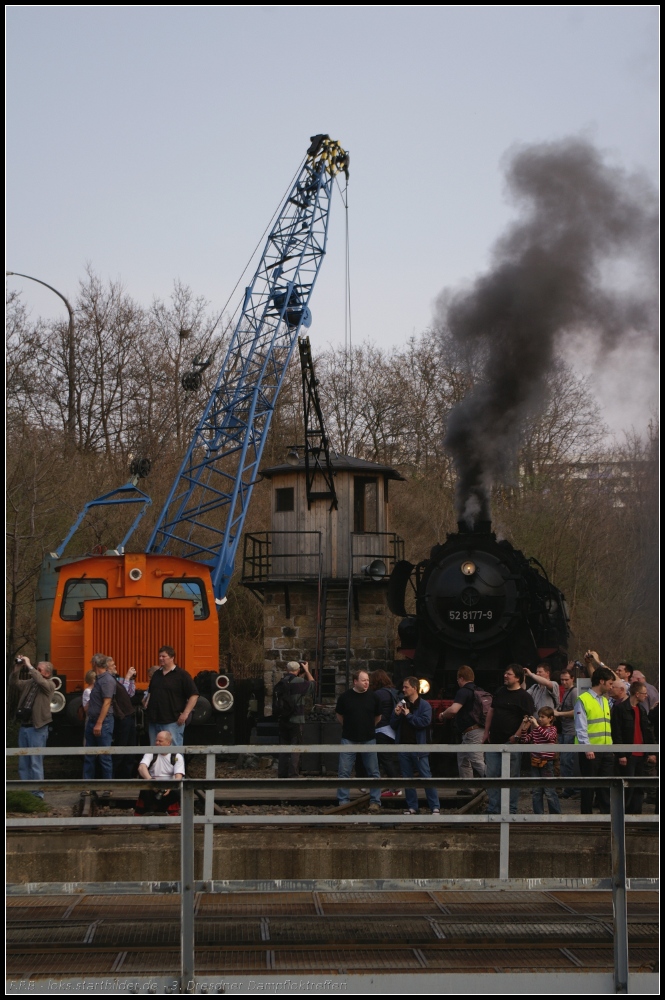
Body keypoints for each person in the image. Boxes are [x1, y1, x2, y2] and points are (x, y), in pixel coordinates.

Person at [483, 665, 536, 815]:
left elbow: (528, 719)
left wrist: (517, 736)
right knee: (492, 774)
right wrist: (486, 732)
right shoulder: (500, 692)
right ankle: (493, 809)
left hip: (511, 742)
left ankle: (510, 810)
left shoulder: (524, 697)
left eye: (509, 674)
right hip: (494, 740)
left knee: (511, 776)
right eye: (505, 673)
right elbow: (491, 711)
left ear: (518, 678)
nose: (505, 676)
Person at [391, 676, 440, 815]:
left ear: (414, 688)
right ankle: (412, 807)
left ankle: (435, 806)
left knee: (426, 776)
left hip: (419, 748)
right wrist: (396, 714)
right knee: (407, 778)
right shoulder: (401, 703)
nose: (403, 689)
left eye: (406, 687)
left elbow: (423, 723)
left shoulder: (425, 706)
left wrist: (408, 715)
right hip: (403, 746)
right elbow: (393, 724)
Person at [335, 669, 382, 813]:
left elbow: (378, 717)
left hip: (368, 739)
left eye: (367, 680)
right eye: (364, 680)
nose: (367, 682)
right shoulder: (345, 697)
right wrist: (350, 727)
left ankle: (375, 801)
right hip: (349, 738)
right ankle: (343, 801)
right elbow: (339, 715)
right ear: (355, 681)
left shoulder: (374, 697)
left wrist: (367, 728)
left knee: (373, 772)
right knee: (344, 771)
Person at [10, 655, 56, 798]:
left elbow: (41, 681)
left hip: (38, 727)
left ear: (47, 673)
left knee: (35, 762)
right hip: (25, 726)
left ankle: (37, 793)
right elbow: (14, 683)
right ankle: (26, 792)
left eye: (39, 669)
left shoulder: (49, 685)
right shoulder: (30, 683)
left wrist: (29, 666)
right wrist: (17, 668)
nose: (35, 670)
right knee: (24, 762)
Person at [611, 681, 656, 814]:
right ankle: (623, 815)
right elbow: (617, 732)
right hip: (628, 755)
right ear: (637, 694)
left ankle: (636, 814)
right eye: (644, 693)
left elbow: (647, 731)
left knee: (639, 787)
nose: (646, 696)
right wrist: (621, 754)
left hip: (641, 755)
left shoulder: (641, 710)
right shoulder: (621, 709)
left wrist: (651, 751)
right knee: (627, 787)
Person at [574, 665, 615, 814]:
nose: (611, 687)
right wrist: (587, 748)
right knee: (588, 787)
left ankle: (605, 817)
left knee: (605, 786)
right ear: (602, 681)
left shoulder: (604, 701)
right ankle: (586, 818)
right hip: (591, 751)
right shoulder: (583, 699)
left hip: (605, 750)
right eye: (610, 683)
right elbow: (581, 726)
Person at [439, 665, 487, 779]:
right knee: (463, 759)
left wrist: (442, 714)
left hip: (472, 732)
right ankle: (467, 788)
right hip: (472, 731)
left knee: (477, 760)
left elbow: (454, 710)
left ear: (461, 678)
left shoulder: (463, 691)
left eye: (457, 680)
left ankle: (497, 786)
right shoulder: (478, 690)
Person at [145, 646, 199, 746]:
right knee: (154, 752)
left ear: (172, 657)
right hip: (154, 721)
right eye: (160, 656)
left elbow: (194, 695)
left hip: (172, 722)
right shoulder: (156, 674)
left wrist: (185, 714)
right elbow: (151, 692)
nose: (161, 658)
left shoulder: (182, 675)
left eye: (164, 656)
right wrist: (147, 701)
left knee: (174, 752)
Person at [273, 660, 314, 778]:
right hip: (296, 720)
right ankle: (293, 773)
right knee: (296, 747)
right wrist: (306, 670)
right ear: (298, 670)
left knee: (284, 747)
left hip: (283, 719)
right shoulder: (300, 682)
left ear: (287, 670)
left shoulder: (281, 683)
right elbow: (312, 685)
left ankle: (282, 773)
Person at [518, 706, 561, 815]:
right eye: (539, 717)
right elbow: (524, 740)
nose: (540, 719)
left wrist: (536, 726)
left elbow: (549, 738)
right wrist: (525, 728)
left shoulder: (553, 729)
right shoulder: (535, 731)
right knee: (536, 791)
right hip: (535, 762)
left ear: (550, 718)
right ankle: (538, 816)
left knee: (549, 791)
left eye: (543, 717)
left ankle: (555, 816)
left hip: (547, 763)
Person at [134, 731, 185, 816]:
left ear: (168, 743)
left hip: (168, 787)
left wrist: (170, 787)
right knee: (145, 787)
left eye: (160, 741)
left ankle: (162, 811)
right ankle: (149, 812)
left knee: (177, 791)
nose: (157, 743)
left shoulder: (177, 756)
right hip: (152, 785)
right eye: (156, 740)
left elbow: (178, 776)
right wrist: (151, 781)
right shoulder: (151, 753)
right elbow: (141, 767)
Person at [83, 653, 116, 780]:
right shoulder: (99, 679)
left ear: (95, 664)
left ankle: (107, 786)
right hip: (92, 720)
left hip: (103, 722)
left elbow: (107, 702)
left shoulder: (107, 680)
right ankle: (87, 785)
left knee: (104, 756)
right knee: (89, 755)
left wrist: (99, 723)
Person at [369, 669, 401, 792]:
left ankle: (395, 787)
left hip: (381, 729)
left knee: (384, 759)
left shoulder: (377, 694)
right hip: (392, 730)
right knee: (386, 758)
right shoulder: (394, 692)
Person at [107, 660, 138, 779]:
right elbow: (121, 695)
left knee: (130, 748)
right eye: (113, 665)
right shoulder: (109, 681)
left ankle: (127, 776)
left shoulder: (115, 679)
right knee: (121, 747)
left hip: (128, 716)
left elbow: (129, 695)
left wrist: (130, 680)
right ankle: (115, 777)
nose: (116, 666)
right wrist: (127, 677)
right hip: (122, 718)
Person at [554, 667, 579, 797]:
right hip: (565, 730)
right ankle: (570, 788)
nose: (564, 682)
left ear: (572, 679)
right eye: (562, 680)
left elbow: (577, 712)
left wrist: (559, 713)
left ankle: (571, 789)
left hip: (571, 731)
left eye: (566, 680)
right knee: (564, 761)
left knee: (567, 761)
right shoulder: (567, 692)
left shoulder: (574, 692)